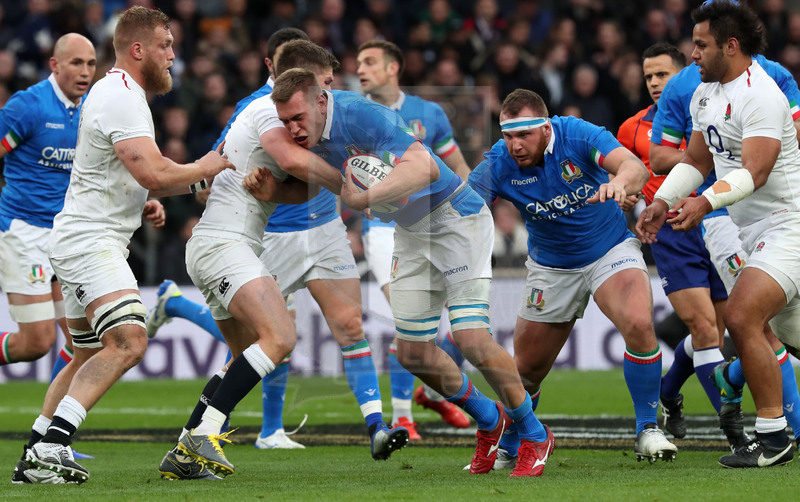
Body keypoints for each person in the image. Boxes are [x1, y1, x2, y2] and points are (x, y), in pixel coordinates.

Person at [265, 67, 553, 478]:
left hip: (456, 218)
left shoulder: (361, 114)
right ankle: (491, 420)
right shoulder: (307, 134)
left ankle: (534, 432)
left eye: (298, 118)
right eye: (285, 122)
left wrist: (367, 196)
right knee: (413, 352)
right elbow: (308, 175)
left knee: (471, 338)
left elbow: (426, 168)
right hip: (412, 231)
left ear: (321, 101)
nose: (293, 129)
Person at [159, 41, 412, 481]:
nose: (330, 92)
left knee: (246, 355)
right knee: (280, 336)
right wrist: (356, 189)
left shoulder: (290, 117)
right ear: (300, 81)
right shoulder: (265, 111)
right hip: (228, 245)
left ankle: (185, 448)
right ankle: (209, 434)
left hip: (228, 244)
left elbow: (298, 179)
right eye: (325, 83)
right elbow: (293, 159)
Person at [23, 6, 234, 484]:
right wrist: (211, 164)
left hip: (85, 235)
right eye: (166, 46)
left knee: (84, 353)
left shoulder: (117, 93)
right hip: (90, 244)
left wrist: (140, 202)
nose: (173, 57)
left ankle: (35, 451)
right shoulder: (121, 96)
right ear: (138, 49)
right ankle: (53, 448)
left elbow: (116, 174)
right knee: (129, 341)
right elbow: (154, 171)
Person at [469, 88, 677, 465]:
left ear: (546, 128)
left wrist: (620, 183)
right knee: (526, 371)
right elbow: (463, 206)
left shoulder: (579, 134)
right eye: (508, 136)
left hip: (609, 250)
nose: (515, 145)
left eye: (524, 135)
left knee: (638, 322)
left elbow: (634, 167)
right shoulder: (499, 163)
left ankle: (648, 429)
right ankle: (515, 440)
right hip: (551, 267)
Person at [637, 0, 800, 468]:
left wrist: (705, 202)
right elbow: (696, 161)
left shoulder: (762, 95)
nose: (692, 54)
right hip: (752, 229)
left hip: (789, 224)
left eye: (701, 45)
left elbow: (757, 171)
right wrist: (663, 201)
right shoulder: (704, 94)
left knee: (744, 316)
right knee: (791, 340)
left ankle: (772, 436)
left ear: (731, 46)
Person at [617, 42, 750, 452]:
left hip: (723, 221)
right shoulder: (631, 129)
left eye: (663, 75)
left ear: (686, 76)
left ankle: (669, 390)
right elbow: (625, 178)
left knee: (725, 329)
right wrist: (627, 209)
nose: (656, 83)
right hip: (673, 230)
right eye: (649, 76)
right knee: (706, 329)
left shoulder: (718, 111)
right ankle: (735, 434)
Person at [355, 39, 471, 436]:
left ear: (393, 68)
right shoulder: (356, 115)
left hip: (431, 225)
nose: (361, 69)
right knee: (408, 320)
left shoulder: (429, 113)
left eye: (370, 62)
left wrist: (471, 208)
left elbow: (456, 165)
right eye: (358, 63)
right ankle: (403, 415)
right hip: (384, 230)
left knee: (458, 329)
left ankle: (432, 396)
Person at [6, 33, 99, 485]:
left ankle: (43, 449)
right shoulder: (28, 107)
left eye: (92, 63)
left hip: (65, 237)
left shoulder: (88, 110)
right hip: (22, 232)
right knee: (36, 342)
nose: (85, 72)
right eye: (77, 63)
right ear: (54, 65)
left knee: (87, 344)